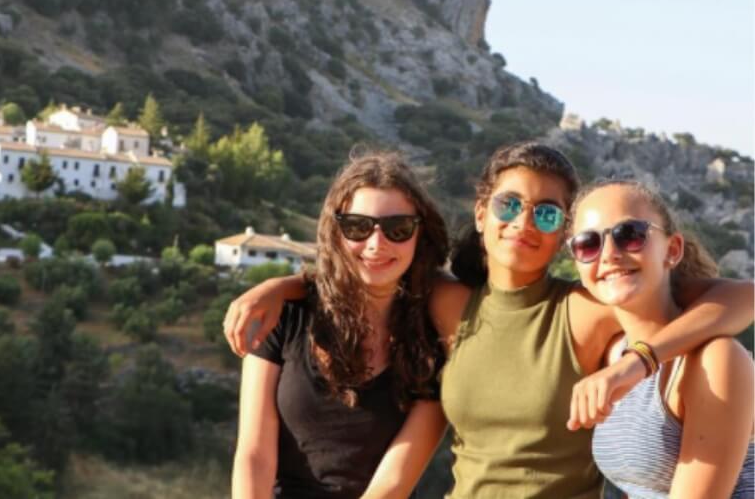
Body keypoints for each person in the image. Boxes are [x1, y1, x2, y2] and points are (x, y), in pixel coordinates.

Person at [225, 142, 754, 498]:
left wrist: (636, 362)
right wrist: (284, 285)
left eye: (547, 213)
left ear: (561, 235)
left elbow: (738, 298)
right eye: (508, 205)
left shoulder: (590, 304)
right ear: (481, 214)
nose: (524, 222)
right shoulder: (448, 302)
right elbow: (369, 265)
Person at [231, 151, 449, 499]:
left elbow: (392, 485)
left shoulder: (435, 339)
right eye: (358, 227)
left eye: (399, 229)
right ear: (336, 231)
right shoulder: (285, 315)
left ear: (420, 235)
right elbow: (254, 455)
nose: (377, 244)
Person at [567, 179, 754, 498]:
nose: (609, 254)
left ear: (673, 250)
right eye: (588, 243)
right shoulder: (613, 352)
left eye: (630, 235)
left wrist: (640, 361)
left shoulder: (714, 360)